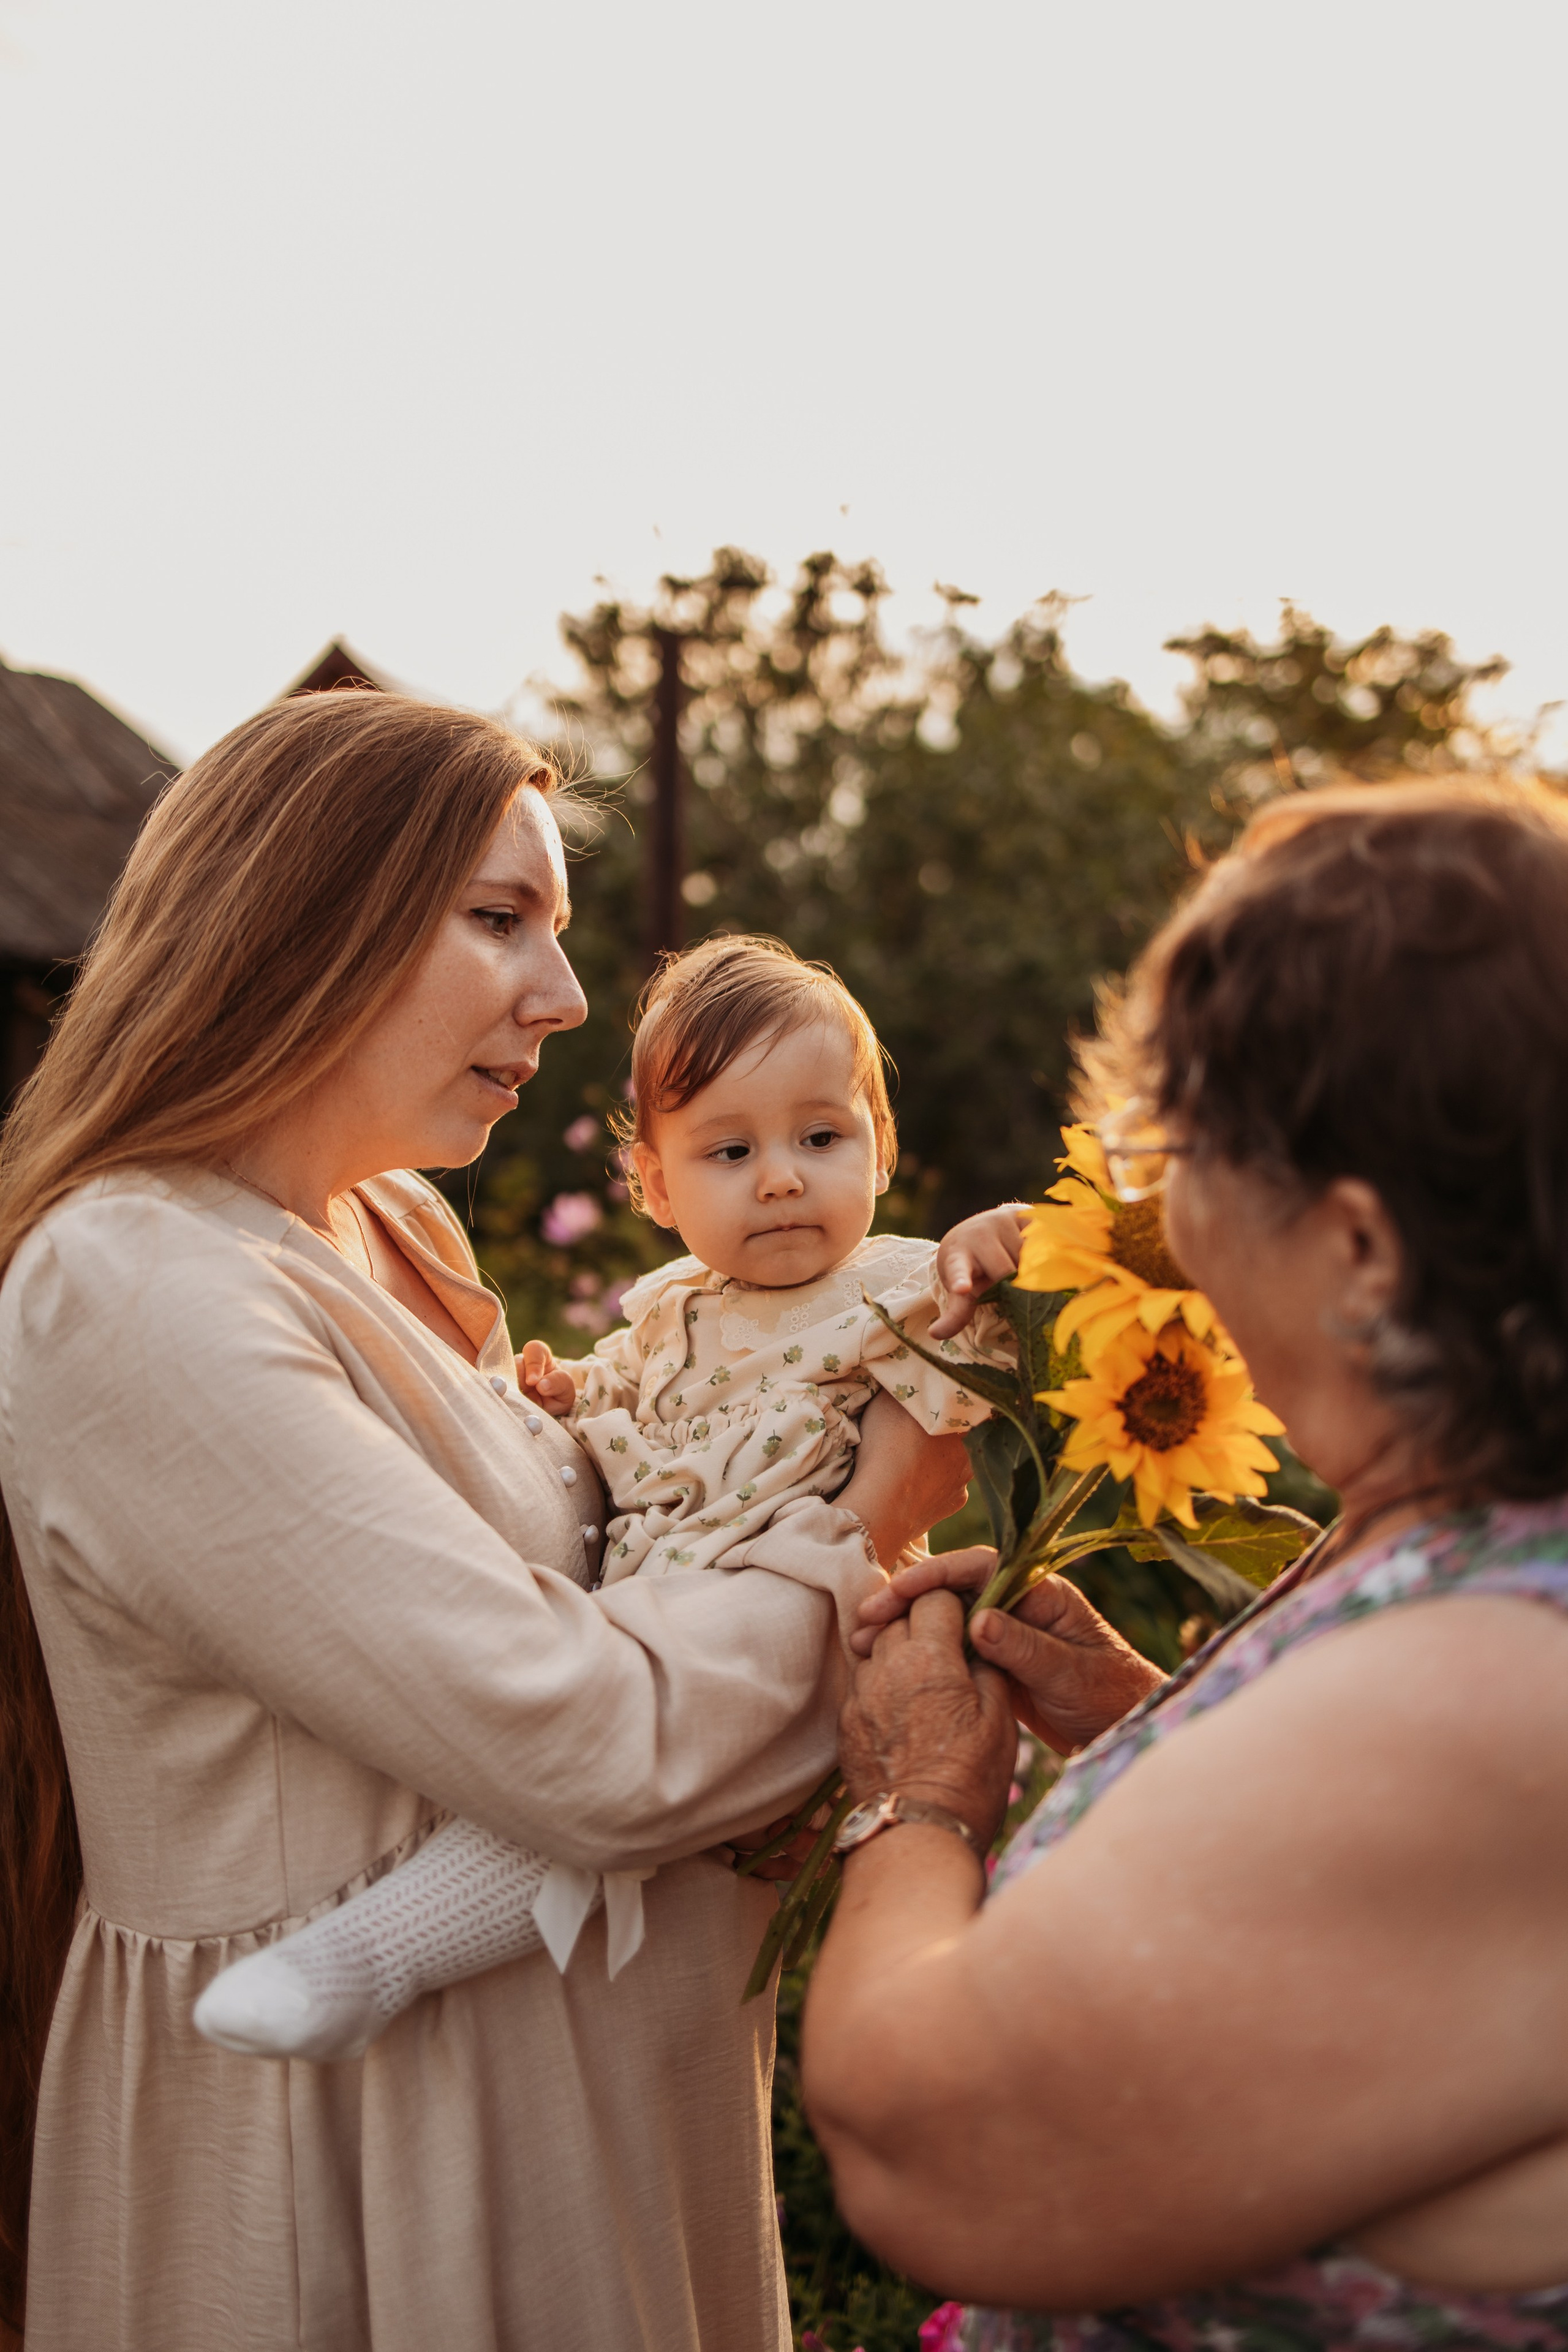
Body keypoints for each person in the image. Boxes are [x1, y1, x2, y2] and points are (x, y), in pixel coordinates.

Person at [0, 690, 969, 2352]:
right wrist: (874, 1514)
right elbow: (587, 1735)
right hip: (360, 2154)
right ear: (309, 916)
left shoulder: (393, 1229)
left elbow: (613, 1569)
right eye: (501, 919)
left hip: (593, 2126)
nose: (569, 996)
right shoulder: (132, 1285)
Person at [801, 776, 1568, 2351]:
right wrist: (1144, 1725)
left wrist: (919, 1795)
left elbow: (926, 2141)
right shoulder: (1478, 1550)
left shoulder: (1489, 1681)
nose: (1163, 1215)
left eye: (1188, 1149)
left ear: (1357, 1248)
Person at [192, 933, 1027, 2064]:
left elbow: (986, 1338)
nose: (783, 1175)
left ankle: (375, 1956)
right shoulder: (675, 1306)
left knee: (593, 1779)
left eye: (821, 1136)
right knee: (572, 1781)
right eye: (731, 1150)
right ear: (655, 1187)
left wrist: (996, 1245)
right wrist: (559, 1393)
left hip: (806, 1608)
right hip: (662, 1606)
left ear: (881, 1150)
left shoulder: (896, 1283)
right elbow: (621, 1404)